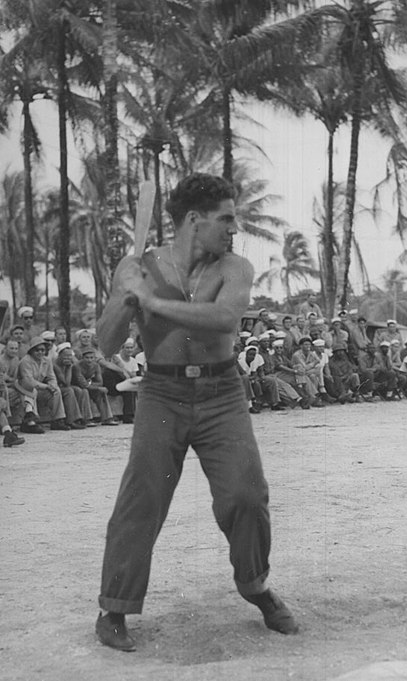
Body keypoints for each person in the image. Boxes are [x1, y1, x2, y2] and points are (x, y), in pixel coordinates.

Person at [95, 173, 298, 652]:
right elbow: (105, 343)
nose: (234, 228)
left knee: (247, 494)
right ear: (194, 220)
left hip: (222, 391)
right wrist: (127, 296)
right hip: (161, 394)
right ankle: (114, 607)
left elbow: (225, 319)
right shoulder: (139, 268)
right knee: (141, 500)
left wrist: (149, 300)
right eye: (226, 219)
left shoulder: (236, 267)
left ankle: (255, 586)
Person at [16, 336, 71, 432]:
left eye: (42, 350)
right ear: (32, 351)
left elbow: (51, 376)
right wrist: (46, 386)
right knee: (31, 390)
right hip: (23, 388)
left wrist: (52, 385)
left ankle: (58, 420)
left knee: (56, 390)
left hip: (39, 388)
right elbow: (29, 381)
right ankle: (30, 423)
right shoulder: (26, 361)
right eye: (37, 350)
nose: (40, 352)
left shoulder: (46, 360)